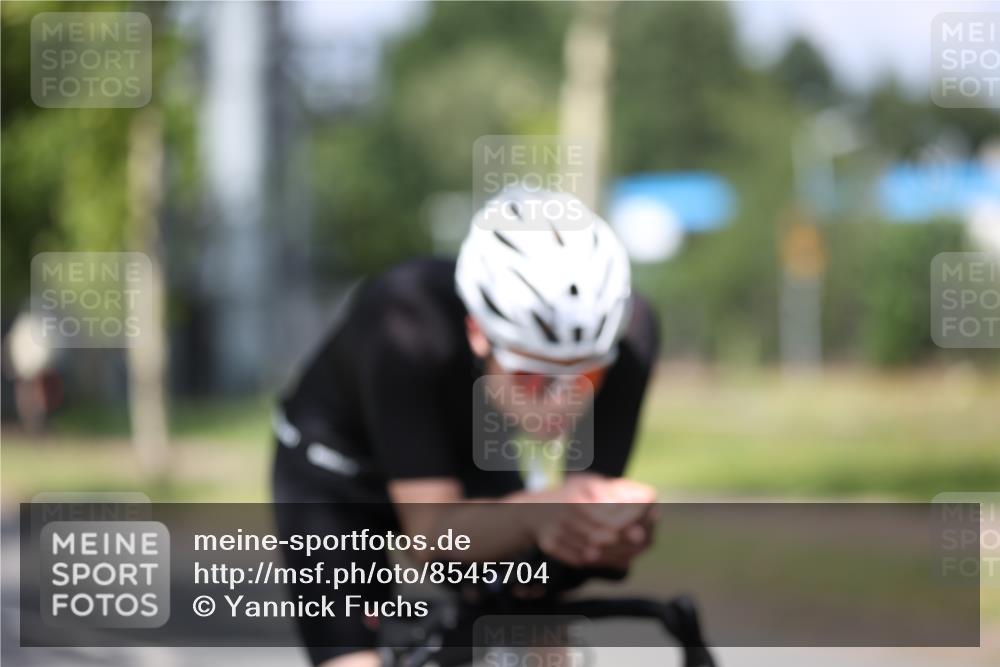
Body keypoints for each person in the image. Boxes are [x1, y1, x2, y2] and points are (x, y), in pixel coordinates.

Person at [272, 187, 661, 667]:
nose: (562, 403)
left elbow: (576, 522)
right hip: (337, 472)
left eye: (586, 375)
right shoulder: (403, 325)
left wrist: (609, 534)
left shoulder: (629, 337)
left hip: (466, 446)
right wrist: (534, 516)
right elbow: (432, 536)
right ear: (479, 333)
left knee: (538, 637)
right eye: (534, 376)